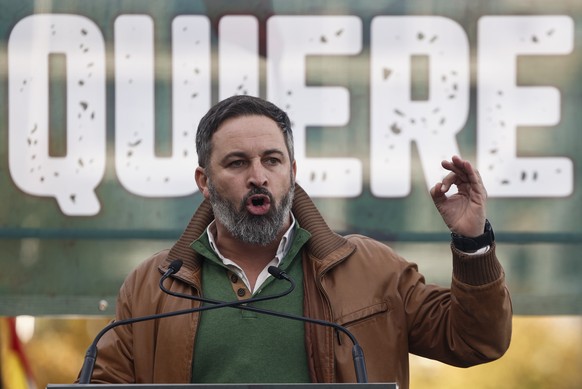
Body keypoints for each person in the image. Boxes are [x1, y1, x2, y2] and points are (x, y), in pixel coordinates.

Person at [85, 95, 512, 389]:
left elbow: (476, 339)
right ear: (204, 182)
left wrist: (472, 241)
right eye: (237, 163)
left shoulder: (370, 269)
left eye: (271, 160)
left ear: (292, 170)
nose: (258, 176)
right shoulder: (152, 285)